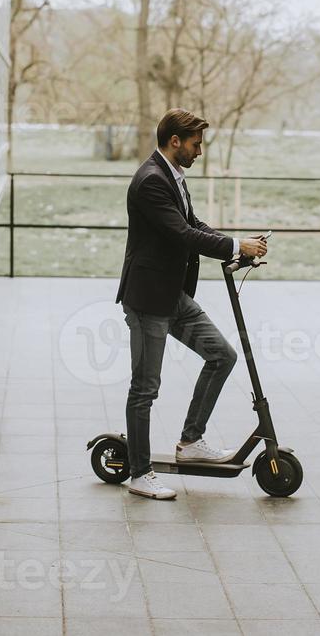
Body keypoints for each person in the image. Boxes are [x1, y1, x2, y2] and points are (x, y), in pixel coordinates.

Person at [113, 109, 269, 500]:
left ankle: (191, 441)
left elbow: (194, 224)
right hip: (150, 300)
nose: (200, 151)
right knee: (145, 388)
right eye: (196, 144)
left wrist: (238, 244)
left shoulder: (173, 177)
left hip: (173, 296)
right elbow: (181, 234)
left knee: (222, 355)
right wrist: (235, 247)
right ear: (175, 141)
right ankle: (139, 472)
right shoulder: (151, 181)